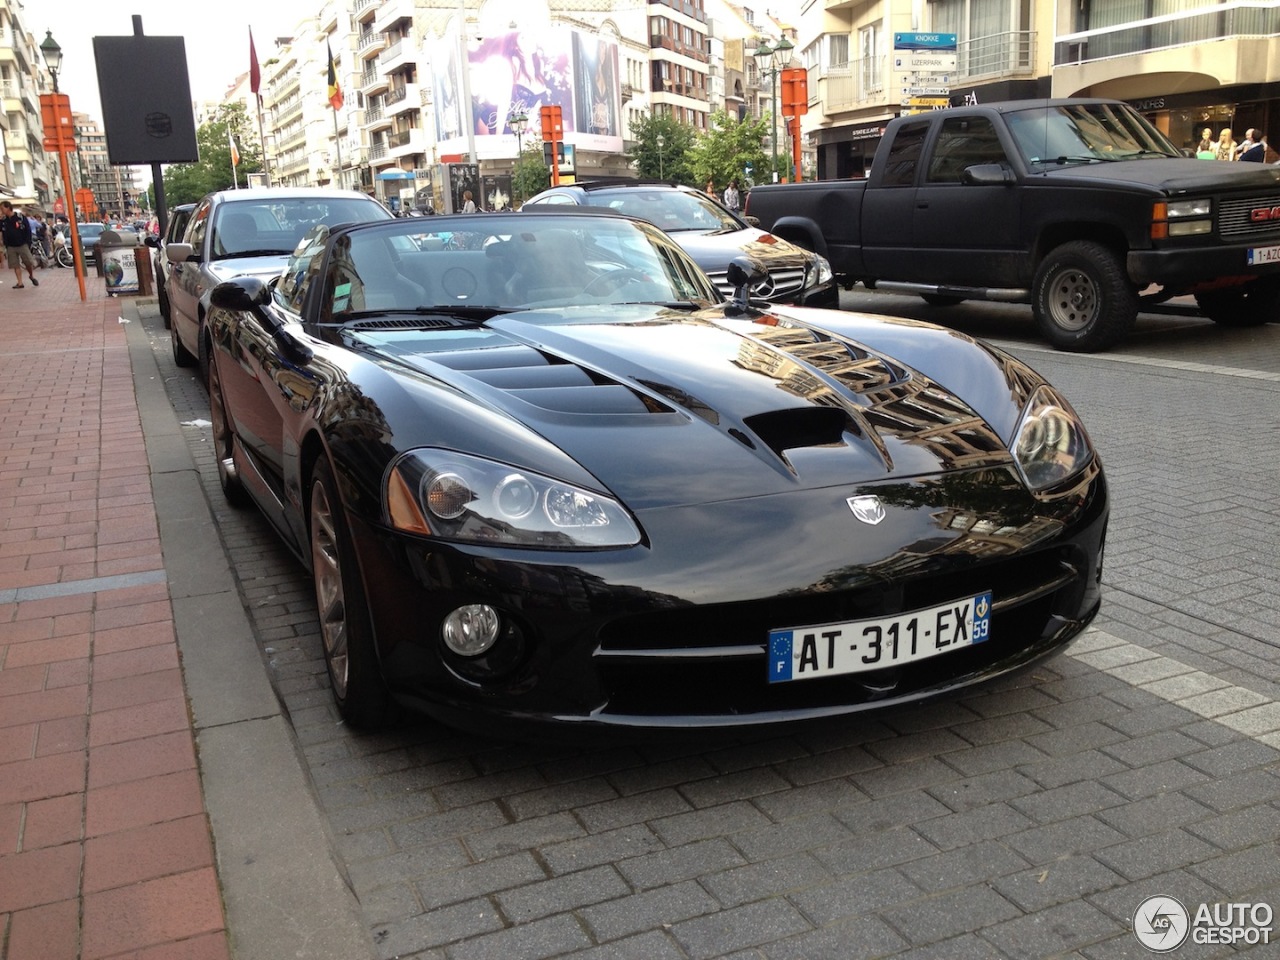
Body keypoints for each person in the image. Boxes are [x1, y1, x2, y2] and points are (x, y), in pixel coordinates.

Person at [0, 200, 38, 287]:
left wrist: (28, 242)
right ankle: (20, 282)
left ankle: (31, 275)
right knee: (15, 264)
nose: (1, 211)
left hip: (22, 244)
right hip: (10, 246)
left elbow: (27, 229)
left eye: (2, 208)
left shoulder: (20, 217)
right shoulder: (3, 220)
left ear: (8, 208)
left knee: (28, 262)